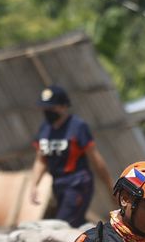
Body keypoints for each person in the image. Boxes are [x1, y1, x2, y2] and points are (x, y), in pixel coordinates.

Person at [27, 84, 112, 226]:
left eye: (52, 108)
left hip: (77, 183)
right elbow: (41, 160)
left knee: (62, 224)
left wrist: (110, 186)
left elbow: (95, 159)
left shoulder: (77, 127)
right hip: (58, 184)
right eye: (45, 108)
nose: (47, 111)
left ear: (63, 106)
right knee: (74, 223)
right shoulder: (45, 129)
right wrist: (34, 184)